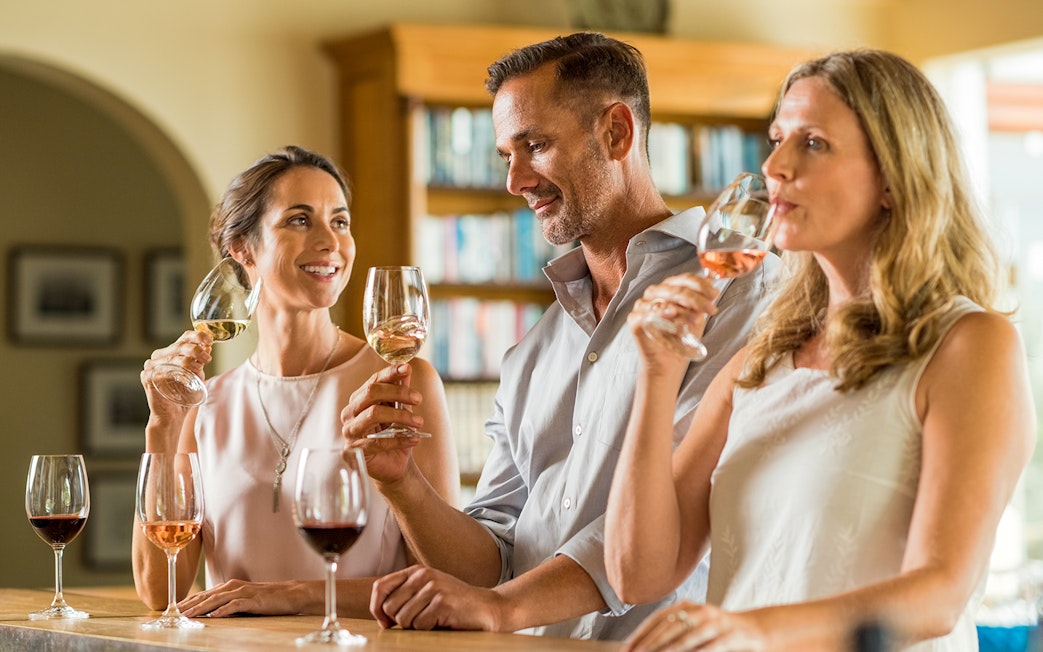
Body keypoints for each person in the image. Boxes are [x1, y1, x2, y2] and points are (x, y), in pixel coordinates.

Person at [341, 33, 777, 640]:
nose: (516, 179)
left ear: (617, 133)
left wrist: (502, 609)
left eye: (535, 145)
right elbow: (494, 564)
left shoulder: (737, 291)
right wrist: (401, 484)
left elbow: (674, 510)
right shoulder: (531, 352)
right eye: (505, 156)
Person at [604, 49, 1036, 651]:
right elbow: (638, 574)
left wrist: (751, 629)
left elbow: (940, 593)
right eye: (777, 138)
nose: (775, 165)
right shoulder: (761, 359)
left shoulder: (970, 346)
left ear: (892, 177)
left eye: (813, 143)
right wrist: (655, 378)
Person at [132, 145, 460, 618]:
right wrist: (162, 427)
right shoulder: (206, 402)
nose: (331, 241)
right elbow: (158, 589)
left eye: (341, 221)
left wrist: (293, 595)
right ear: (242, 248)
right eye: (300, 220)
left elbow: (439, 582)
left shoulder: (400, 384)